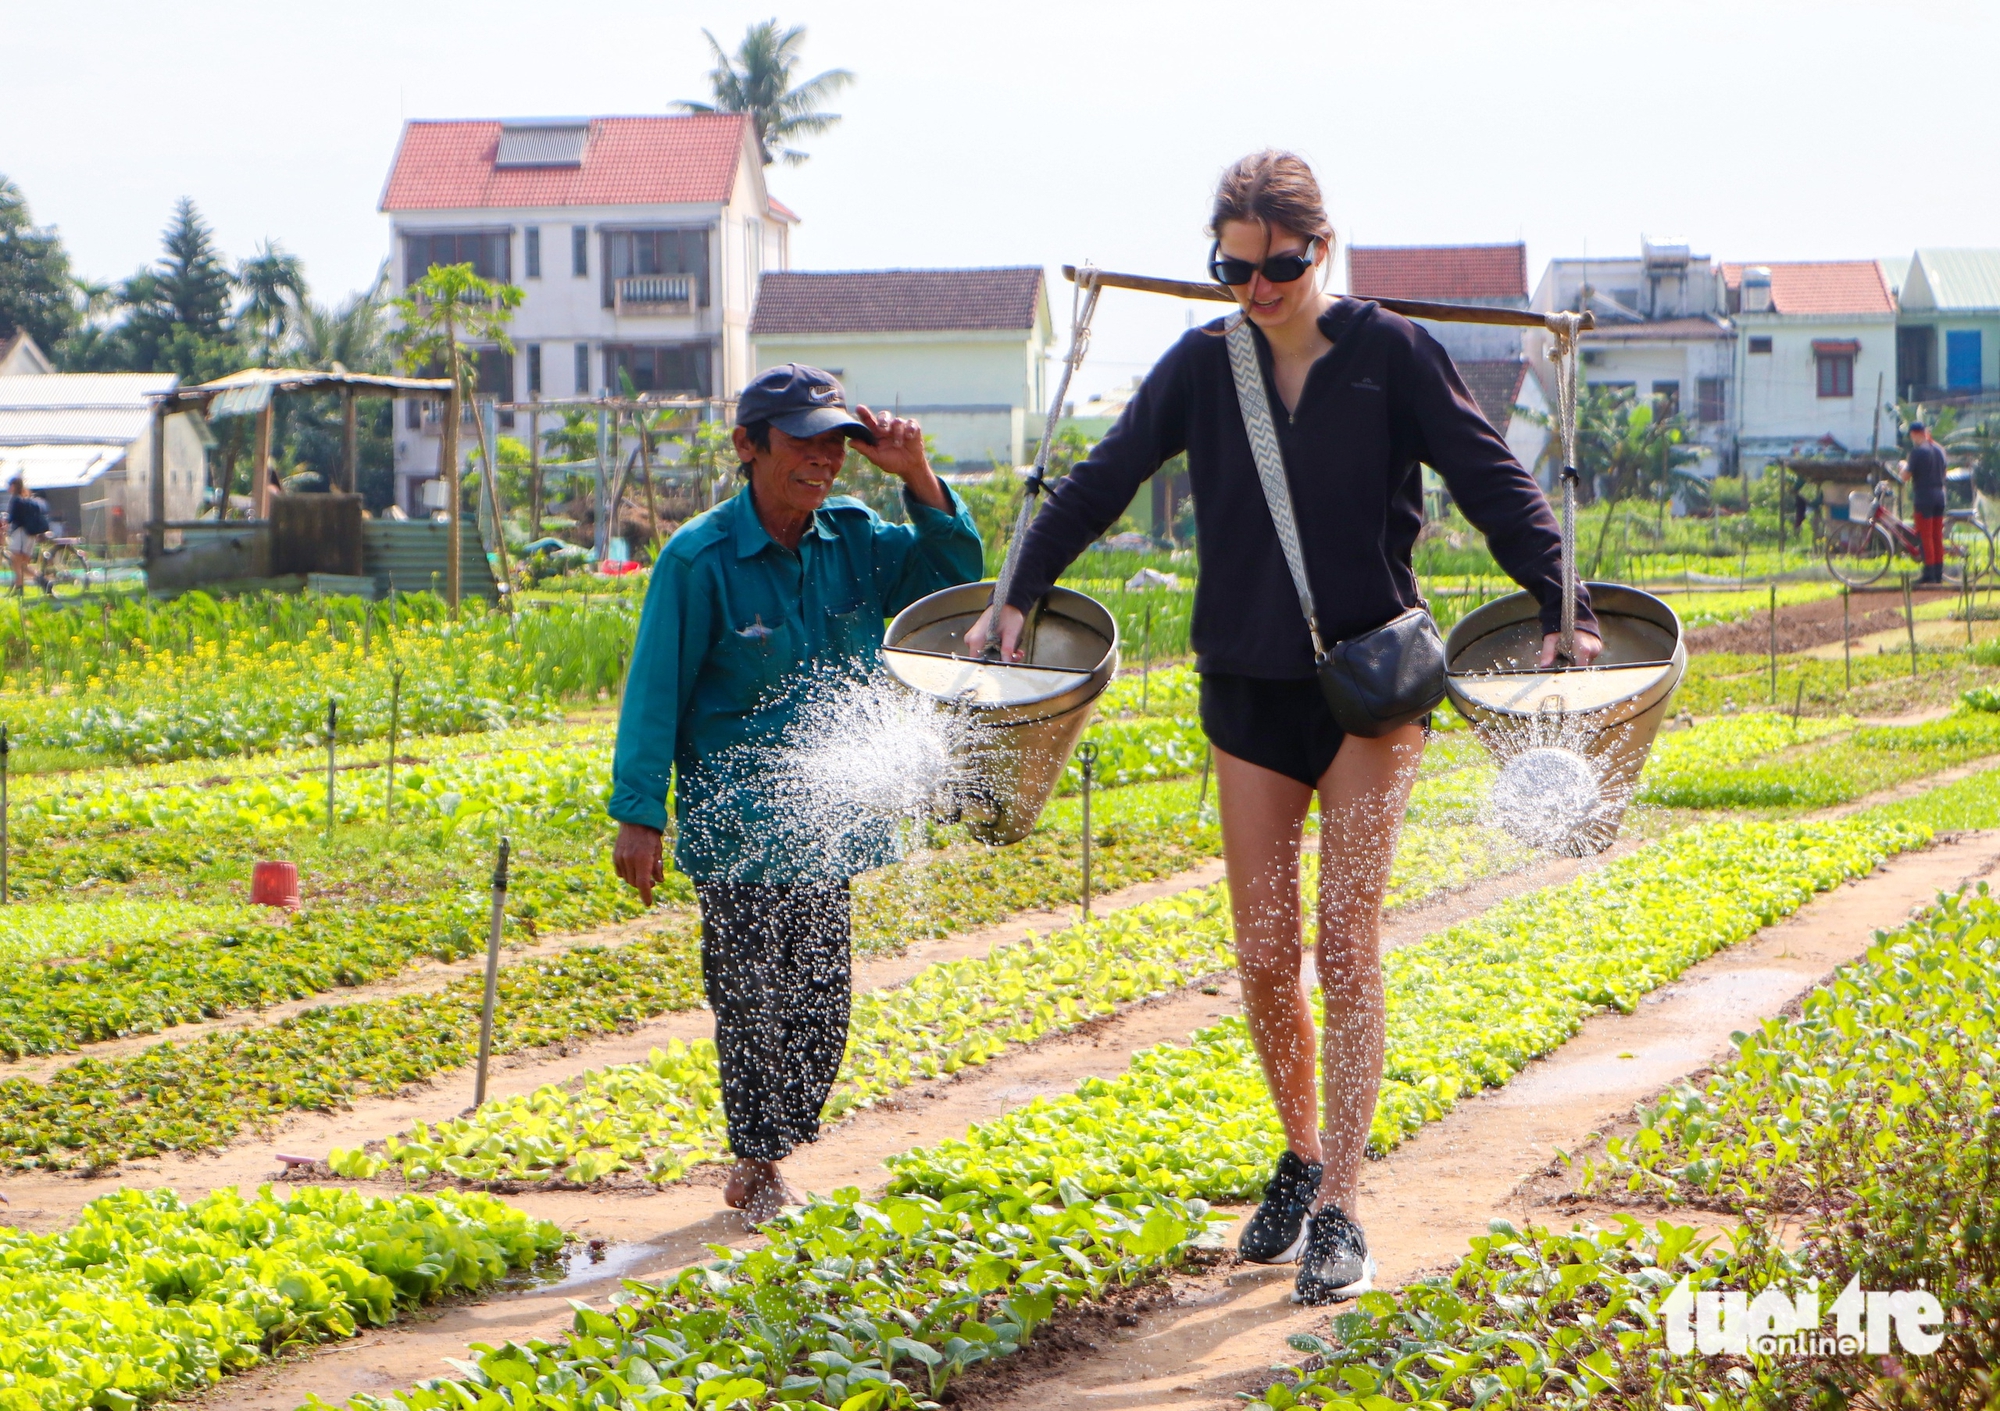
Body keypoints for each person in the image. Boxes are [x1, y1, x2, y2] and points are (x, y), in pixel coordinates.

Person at [967, 151, 1601, 1305]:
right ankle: (1300, 1152)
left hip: (1370, 689)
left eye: (1278, 266)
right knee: (1263, 956)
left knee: (1343, 944)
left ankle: (1341, 1206)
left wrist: (1564, 602)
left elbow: (1492, 481)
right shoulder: (1202, 367)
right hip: (1247, 690)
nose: (1255, 288)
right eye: (1232, 269)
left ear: (1322, 249)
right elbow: (1098, 481)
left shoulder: (1392, 354)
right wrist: (1016, 589)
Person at [609, 364, 982, 1226]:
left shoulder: (854, 538)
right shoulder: (700, 558)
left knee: (820, 1004)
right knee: (750, 999)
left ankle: (771, 1143)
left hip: (826, 819)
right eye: (804, 443)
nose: (824, 460)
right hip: (738, 823)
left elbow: (951, 579)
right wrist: (639, 815)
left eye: (836, 445)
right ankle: (760, 1161)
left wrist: (919, 476)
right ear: (749, 445)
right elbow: (655, 687)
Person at [1904, 423, 1947, 584]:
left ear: (1914, 434)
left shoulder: (1917, 452)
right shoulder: (1939, 450)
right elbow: (1944, 473)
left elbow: (1905, 476)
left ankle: (1929, 573)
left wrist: (1902, 468)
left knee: (1925, 536)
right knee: (1937, 535)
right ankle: (1938, 572)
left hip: (1924, 497)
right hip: (1940, 496)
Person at [4, 476, 49, 597]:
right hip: (30, 535)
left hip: (20, 534)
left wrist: (4, 525)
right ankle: (43, 581)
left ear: (14, 486)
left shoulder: (15, 500)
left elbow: (11, 518)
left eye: (9, 485)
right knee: (22, 565)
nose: (8, 488)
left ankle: (19, 589)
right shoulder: (26, 498)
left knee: (15, 562)